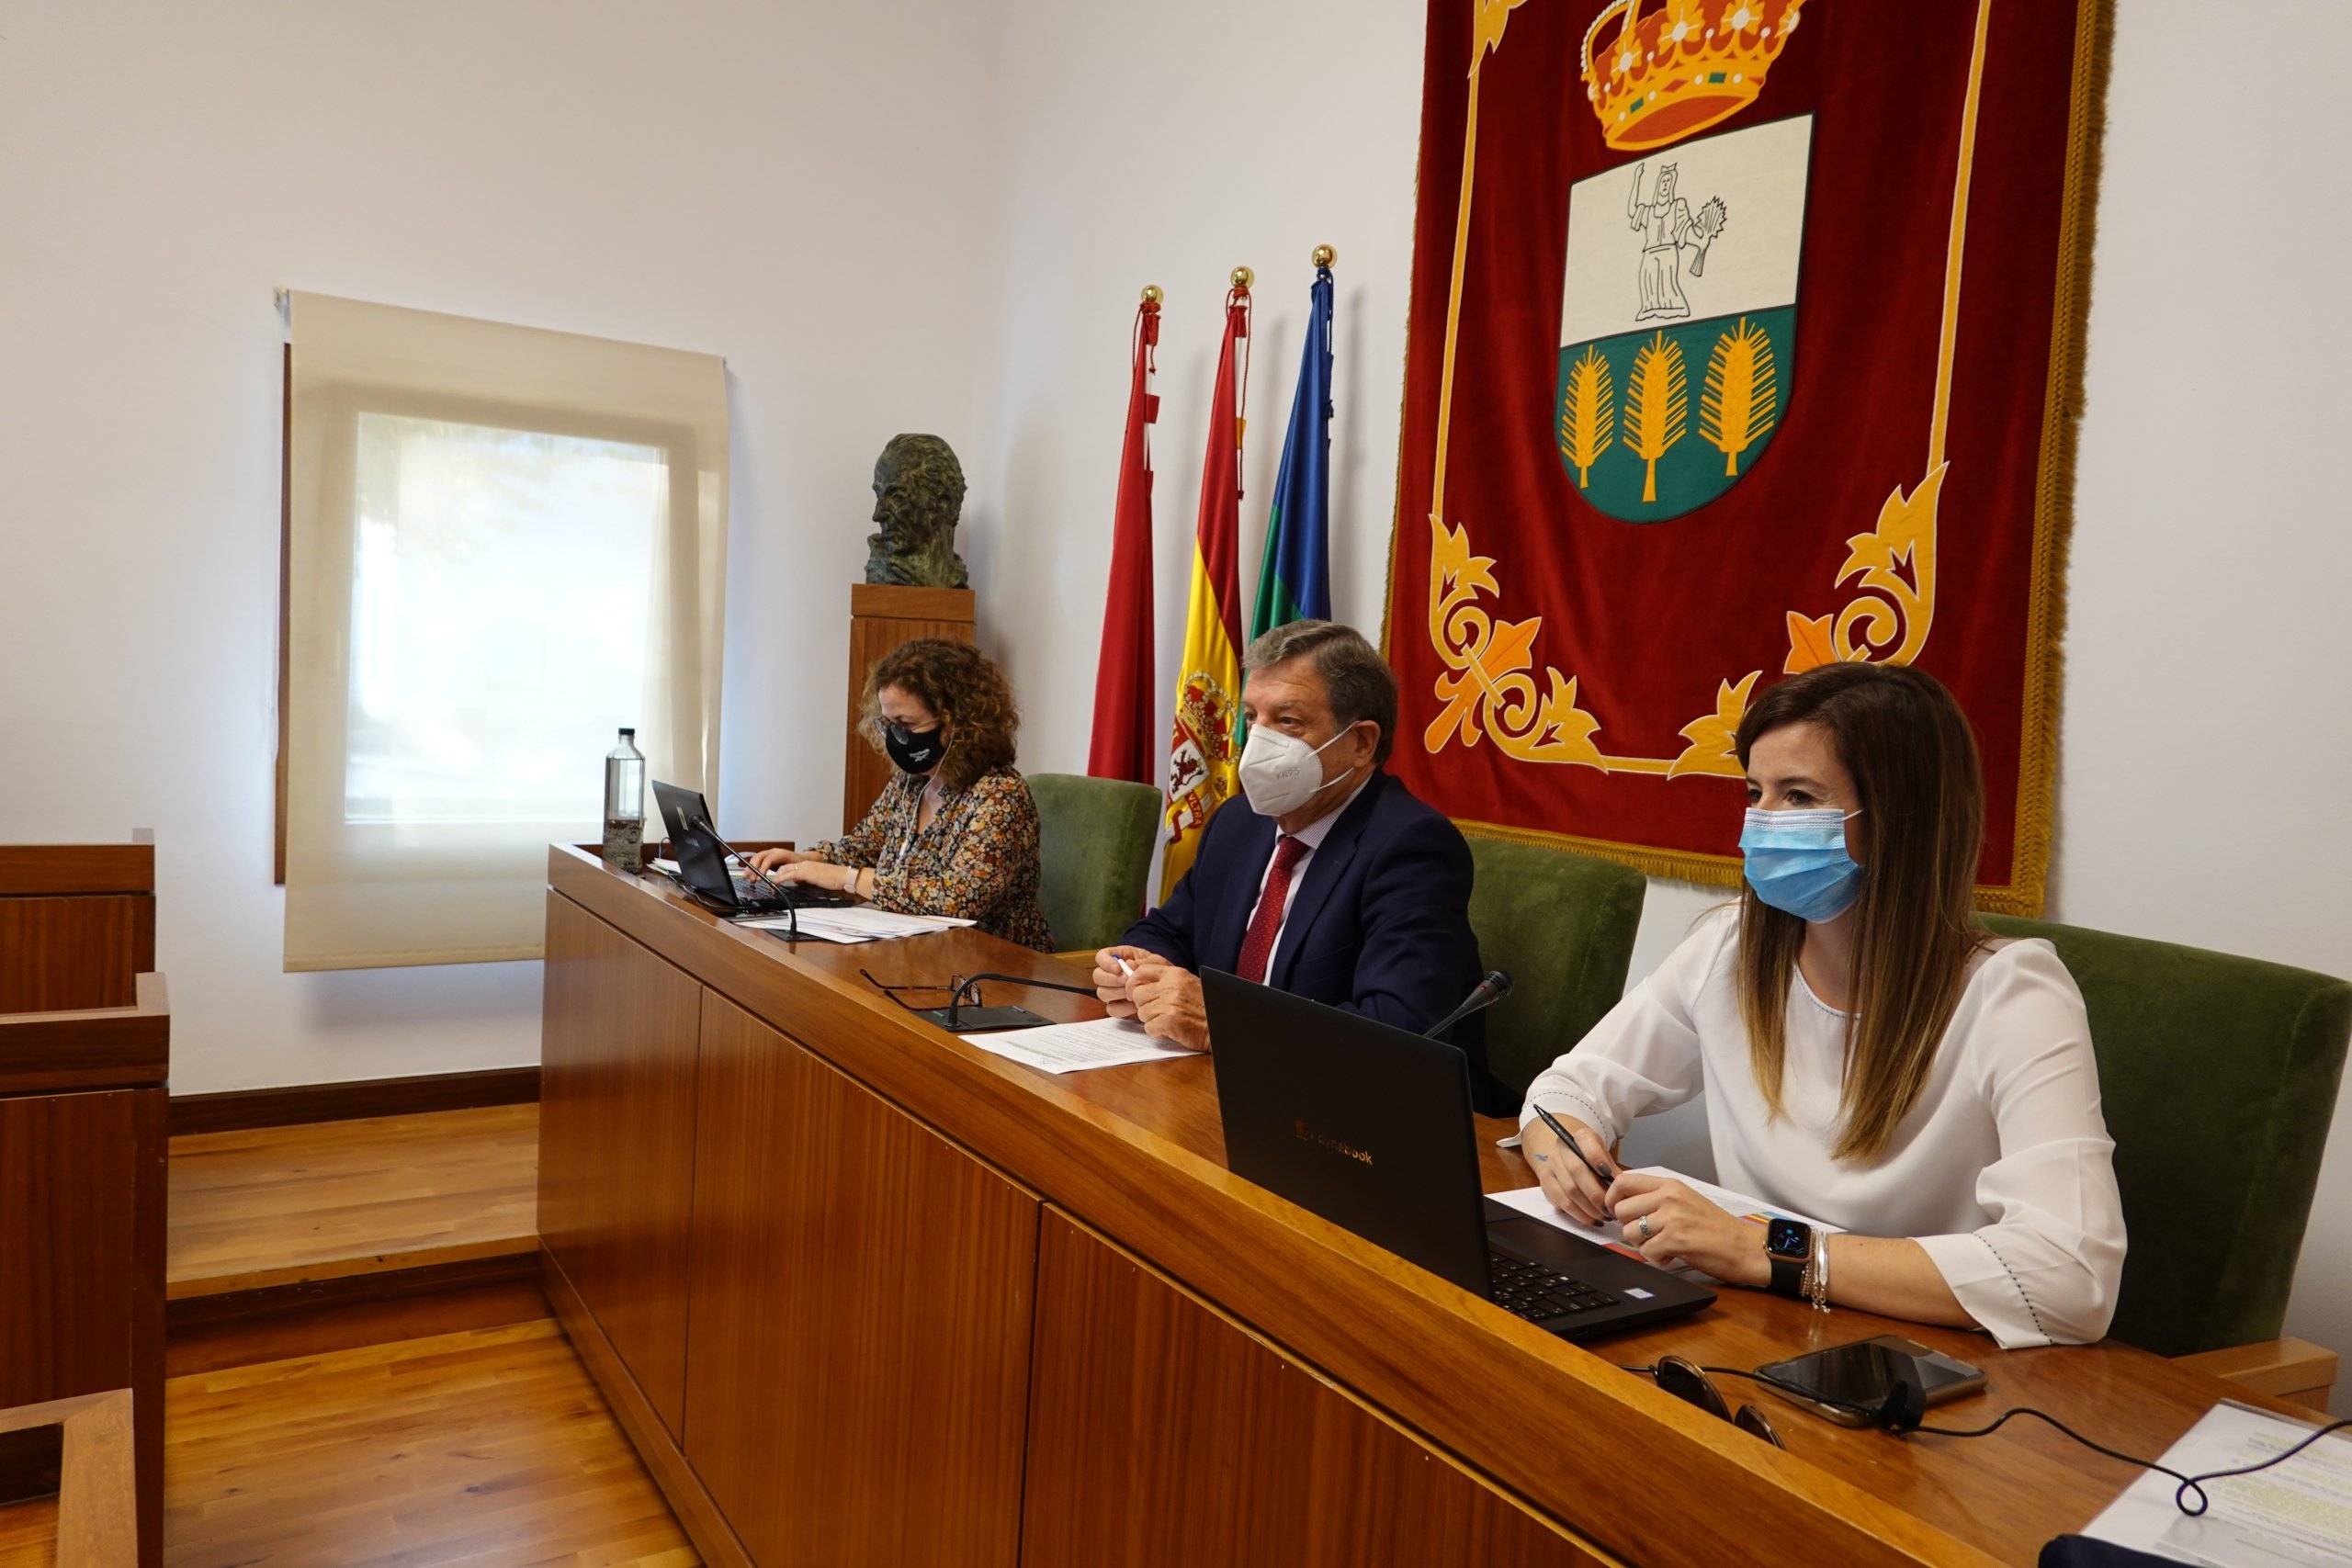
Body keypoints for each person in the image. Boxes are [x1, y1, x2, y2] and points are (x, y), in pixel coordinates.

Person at [1518, 662, 2124, 1348]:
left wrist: (1771, 1253)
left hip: (1920, 1366)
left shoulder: (2016, 995)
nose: (1761, 826)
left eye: (1800, 797)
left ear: (1901, 818)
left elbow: (2072, 1279)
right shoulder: (1730, 948)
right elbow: (1565, 1091)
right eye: (1755, 792)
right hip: (1757, 1332)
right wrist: (1563, 1153)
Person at [1093, 620, 1497, 1101]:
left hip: (1356, 1114)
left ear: (1361, 743)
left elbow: (1398, 1031)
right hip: (1221, 1087)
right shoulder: (1239, 822)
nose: (1256, 743)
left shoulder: (1411, 847)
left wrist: (1224, 1022)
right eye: (1251, 717)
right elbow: (1169, 930)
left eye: (1287, 722)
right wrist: (1138, 967)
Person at [748, 638, 1051, 949]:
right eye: (889, 724)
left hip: (987, 961)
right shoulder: (910, 783)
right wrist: (805, 861)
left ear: (955, 721)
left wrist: (843, 878)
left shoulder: (1000, 794)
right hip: (913, 947)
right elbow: (865, 846)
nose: (897, 737)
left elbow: (957, 898)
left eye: (906, 724)